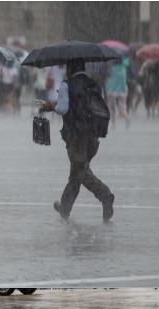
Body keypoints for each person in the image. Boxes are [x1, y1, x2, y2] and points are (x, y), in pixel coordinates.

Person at [39, 59, 115, 222]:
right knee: (78, 171)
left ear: (71, 68)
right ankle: (65, 208)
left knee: (79, 172)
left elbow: (62, 109)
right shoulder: (95, 84)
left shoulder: (67, 85)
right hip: (93, 137)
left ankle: (105, 195)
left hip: (76, 136)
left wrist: (50, 106)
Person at [105, 56, 130, 130]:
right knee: (122, 108)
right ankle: (127, 118)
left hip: (112, 90)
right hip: (123, 90)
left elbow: (107, 77)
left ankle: (113, 125)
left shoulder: (111, 67)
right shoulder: (124, 67)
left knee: (112, 108)